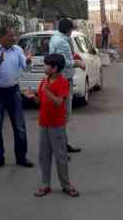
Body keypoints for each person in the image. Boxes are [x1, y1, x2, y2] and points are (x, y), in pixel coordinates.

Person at [24, 54, 80, 198]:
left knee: (60, 156)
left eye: (47, 65)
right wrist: (33, 97)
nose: (44, 67)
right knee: (44, 156)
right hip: (44, 123)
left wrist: (47, 92)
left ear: (54, 68)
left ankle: (66, 185)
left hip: (57, 125)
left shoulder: (62, 82)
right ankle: (45, 185)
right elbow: (41, 103)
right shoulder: (44, 81)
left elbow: (59, 102)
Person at [0, 26, 34, 171]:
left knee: (19, 126)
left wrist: (28, 63)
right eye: (11, 36)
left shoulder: (17, 50)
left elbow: (24, 67)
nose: (14, 38)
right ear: (2, 37)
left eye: (14, 36)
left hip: (13, 91)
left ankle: (21, 157)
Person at [49, 18, 85, 154]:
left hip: (59, 79)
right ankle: (60, 147)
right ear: (69, 30)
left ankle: (62, 143)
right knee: (63, 114)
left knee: (61, 114)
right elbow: (64, 62)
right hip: (64, 80)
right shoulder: (62, 41)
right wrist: (78, 63)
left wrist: (73, 56)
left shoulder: (55, 38)